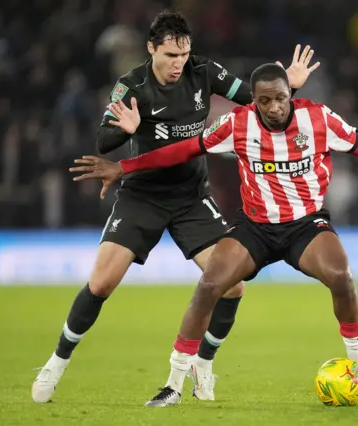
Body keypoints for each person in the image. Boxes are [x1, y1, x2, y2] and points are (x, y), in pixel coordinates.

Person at [69, 63, 358, 407]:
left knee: (342, 276)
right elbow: (183, 150)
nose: (275, 107)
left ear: (290, 95)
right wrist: (124, 166)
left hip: (306, 225)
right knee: (209, 285)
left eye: (281, 98)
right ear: (254, 101)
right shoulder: (237, 124)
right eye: (265, 101)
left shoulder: (319, 119)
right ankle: (173, 384)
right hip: (255, 228)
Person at [32, 10, 320, 404]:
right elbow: (103, 142)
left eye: (183, 56)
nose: (177, 64)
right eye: (169, 56)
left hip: (191, 198)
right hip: (142, 196)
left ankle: (204, 365)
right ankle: (55, 364)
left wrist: (288, 84)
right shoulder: (130, 86)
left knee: (233, 286)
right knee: (100, 283)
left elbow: (255, 98)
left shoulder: (204, 72)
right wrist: (125, 130)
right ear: (151, 49)